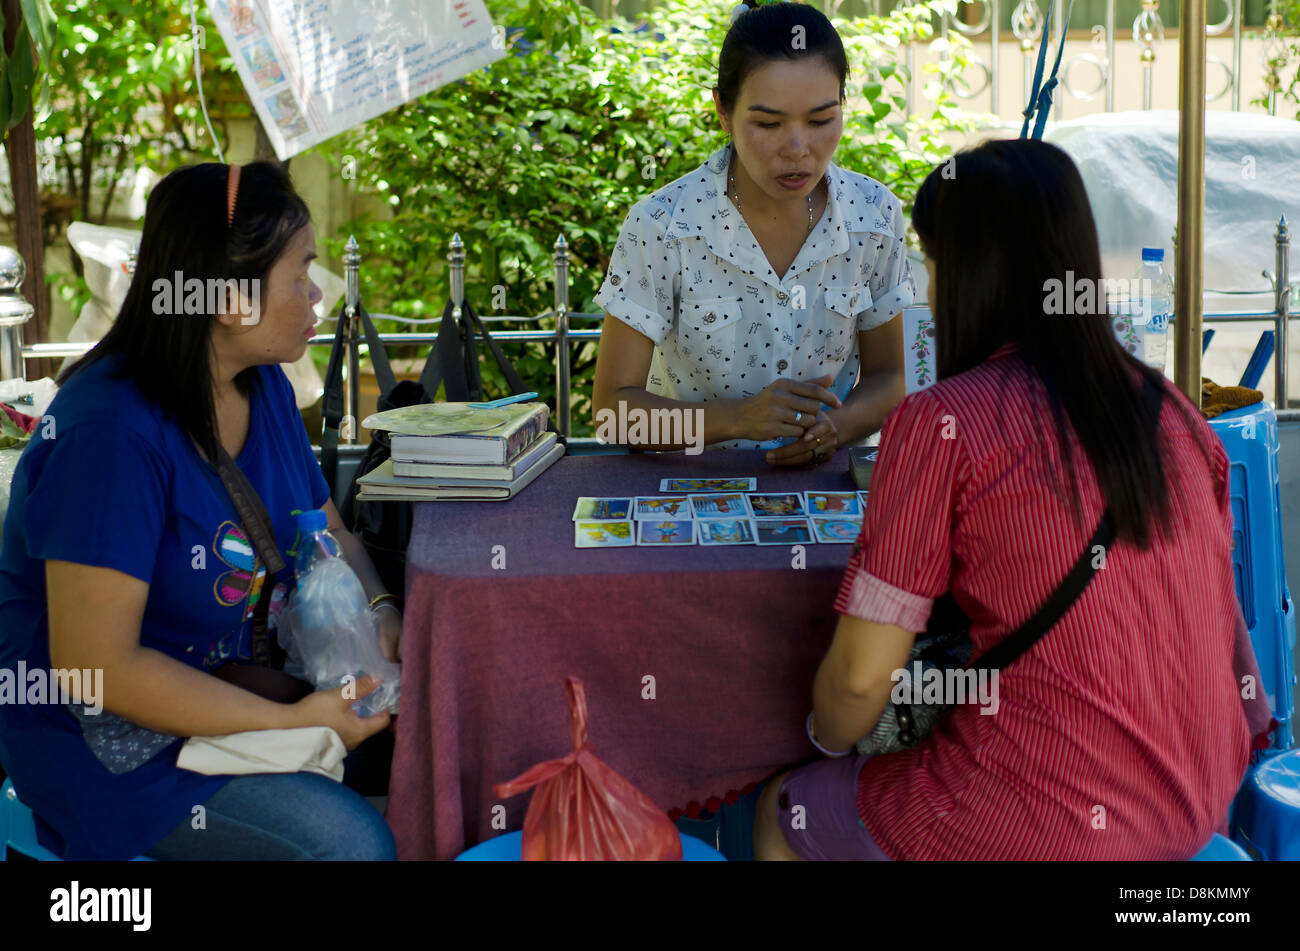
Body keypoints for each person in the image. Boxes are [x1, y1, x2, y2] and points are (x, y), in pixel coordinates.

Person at [753, 138, 1259, 859]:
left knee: (786, 813)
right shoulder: (1177, 415)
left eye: (933, 264)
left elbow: (861, 679)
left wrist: (820, 742)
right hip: (1197, 800)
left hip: (1036, 822)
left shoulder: (943, 424)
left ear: (965, 275)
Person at [0, 161, 402, 860]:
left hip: (232, 682)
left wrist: (380, 611)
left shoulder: (264, 385)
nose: (316, 295)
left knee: (437, 741)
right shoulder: (111, 435)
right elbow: (100, 667)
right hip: (107, 742)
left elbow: (325, 525)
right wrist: (293, 721)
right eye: (300, 271)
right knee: (350, 846)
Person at [592, 1, 913, 464]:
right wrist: (737, 419)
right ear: (723, 112)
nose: (798, 149)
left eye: (822, 120)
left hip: (827, 493)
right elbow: (612, 414)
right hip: (691, 496)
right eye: (768, 123)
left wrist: (835, 429)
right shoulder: (663, 225)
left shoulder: (874, 215)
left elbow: (893, 377)